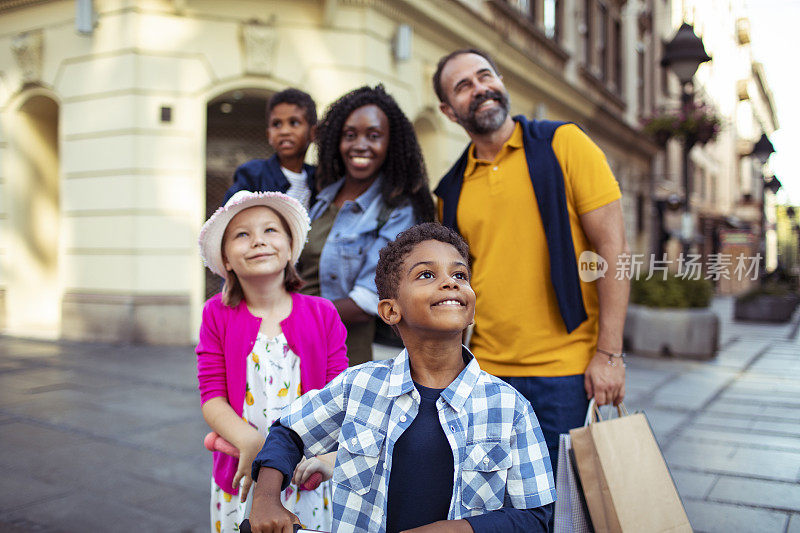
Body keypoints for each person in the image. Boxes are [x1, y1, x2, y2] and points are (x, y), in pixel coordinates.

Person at [247, 223, 555, 533]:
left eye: (460, 275)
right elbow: (289, 433)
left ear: (471, 307)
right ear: (391, 310)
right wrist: (266, 499)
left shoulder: (510, 407)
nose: (450, 283)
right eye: (426, 275)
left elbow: (535, 517)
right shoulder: (358, 387)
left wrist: (450, 529)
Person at [432, 49, 630, 465]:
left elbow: (613, 251)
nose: (480, 88)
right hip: (484, 374)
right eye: (463, 86)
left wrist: (609, 355)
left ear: (501, 81)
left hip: (568, 373)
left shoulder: (564, 144)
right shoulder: (450, 189)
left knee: (568, 512)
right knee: (499, 513)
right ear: (449, 111)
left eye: (485, 75)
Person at [196, 190, 349, 533]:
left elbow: (339, 396)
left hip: (306, 474)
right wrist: (248, 440)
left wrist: (327, 458)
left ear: (290, 247)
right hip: (242, 476)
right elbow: (212, 397)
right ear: (227, 260)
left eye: (270, 230)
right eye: (242, 234)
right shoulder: (215, 315)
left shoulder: (322, 313)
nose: (258, 242)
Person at [297, 85, 435, 365]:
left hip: (344, 356)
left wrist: (290, 317)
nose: (360, 144)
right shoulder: (321, 197)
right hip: (293, 347)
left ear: (389, 144)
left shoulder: (398, 211)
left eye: (374, 136)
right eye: (350, 135)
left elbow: (366, 301)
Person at [223, 88, 318, 208]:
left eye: (294, 123)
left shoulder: (319, 179)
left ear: (313, 133)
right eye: (276, 124)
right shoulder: (253, 175)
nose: (284, 131)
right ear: (269, 135)